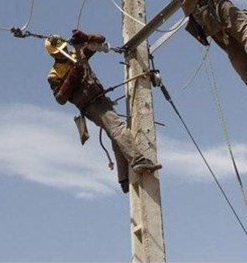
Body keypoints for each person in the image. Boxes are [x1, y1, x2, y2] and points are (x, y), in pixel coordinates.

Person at [45, 30, 161, 193]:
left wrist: (86, 38)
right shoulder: (55, 73)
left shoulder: (76, 54)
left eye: (64, 48)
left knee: (114, 135)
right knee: (118, 128)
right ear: (53, 55)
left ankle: (124, 177)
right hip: (91, 106)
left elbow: (99, 41)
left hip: (100, 100)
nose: (63, 52)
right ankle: (138, 160)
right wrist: (74, 75)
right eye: (59, 52)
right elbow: (60, 98)